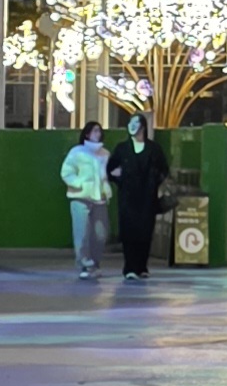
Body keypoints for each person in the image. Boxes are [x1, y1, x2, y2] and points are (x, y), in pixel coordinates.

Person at [109, 118, 170, 282]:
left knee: (145, 232)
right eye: (130, 124)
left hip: (147, 197)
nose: (132, 127)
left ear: (143, 127)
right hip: (127, 197)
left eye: (135, 124)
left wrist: (154, 182)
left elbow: (164, 169)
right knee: (128, 232)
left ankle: (142, 266)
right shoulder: (122, 148)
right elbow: (110, 169)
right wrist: (118, 177)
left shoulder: (154, 149)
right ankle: (129, 267)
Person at [59, 123, 109, 278]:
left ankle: (95, 263)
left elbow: (108, 173)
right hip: (80, 198)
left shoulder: (105, 154)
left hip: (100, 199)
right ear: (87, 134)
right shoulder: (77, 152)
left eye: (99, 131)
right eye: (95, 130)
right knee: (82, 234)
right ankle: (85, 265)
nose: (98, 133)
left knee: (100, 234)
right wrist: (79, 184)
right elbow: (66, 172)